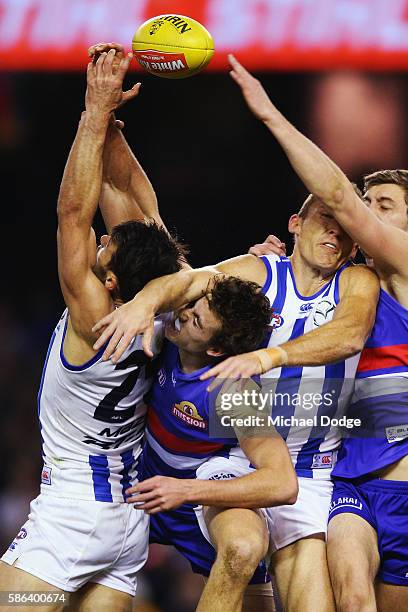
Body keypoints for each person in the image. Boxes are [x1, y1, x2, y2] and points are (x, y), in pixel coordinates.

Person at [92, 69, 381, 612]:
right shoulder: (256, 269)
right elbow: (184, 274)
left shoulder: (357, 281)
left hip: (305, 471)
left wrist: (266, 356)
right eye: (323, 218)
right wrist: (145, 303)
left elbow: (351, 333)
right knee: (149, 238)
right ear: (296, 222)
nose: (334, 232)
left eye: (345, 226)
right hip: (223, 460)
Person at [220, 56, 408, 611]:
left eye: (382, 207)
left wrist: (271, 115)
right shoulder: (345, 278)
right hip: (346, 478)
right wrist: (266, 261)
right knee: (349, 596)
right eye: (366, 202)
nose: (363, 214)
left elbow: (337, 197)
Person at [0, 49, 188, 612]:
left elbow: (72, 212)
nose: (99, 240)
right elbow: (141, 212)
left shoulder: (94, 315)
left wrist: (93, 111)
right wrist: (110, 132)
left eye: (103, 246)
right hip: (126, 522)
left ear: (107, 278)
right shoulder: (161, 298)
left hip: (76, 513)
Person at [128, 276, 298, 612]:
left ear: (216, 349)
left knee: (243, 548)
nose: (183, 313)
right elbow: (153, 235)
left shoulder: (232, 391)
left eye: (196, 319)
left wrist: (186, 490)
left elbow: (282, 482)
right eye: (192, 305)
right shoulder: (170, 333)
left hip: (197, 494)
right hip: (140, 486)